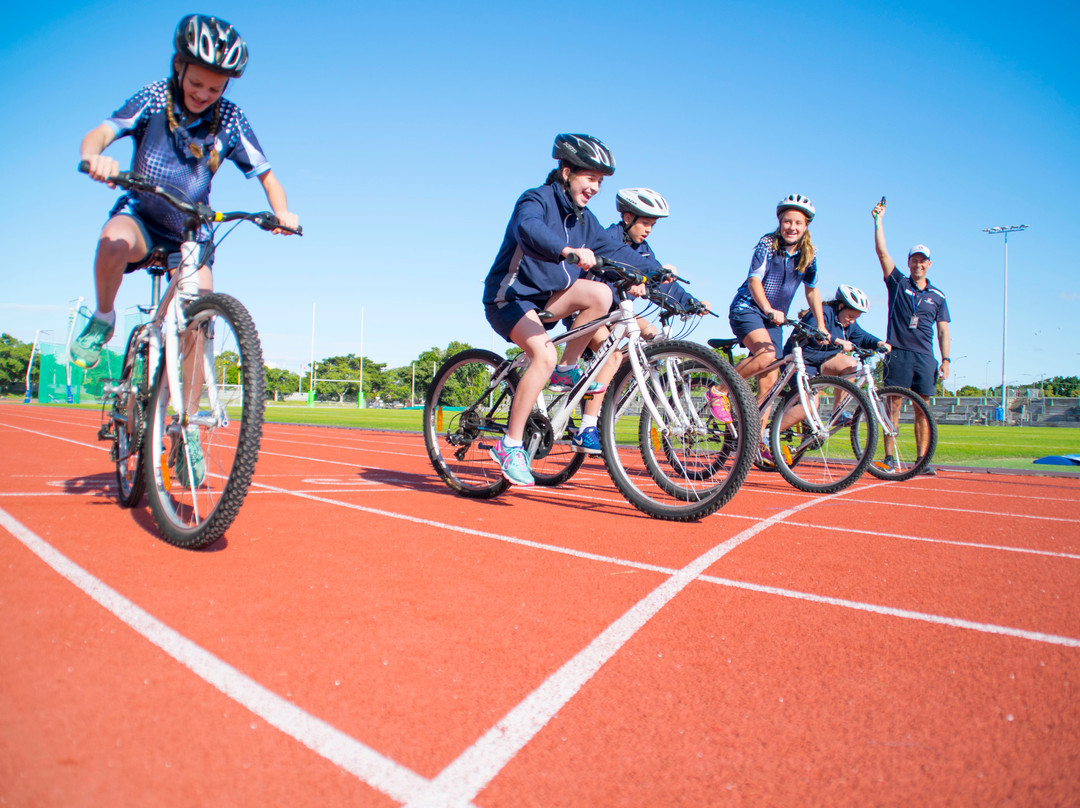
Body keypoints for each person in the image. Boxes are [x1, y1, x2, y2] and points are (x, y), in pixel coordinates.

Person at [71, 14, 300, 372]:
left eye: (215, 89)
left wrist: (283, 213)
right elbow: (101, 132)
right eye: (196, 83)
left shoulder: (230, 119)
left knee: (199, 317)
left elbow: (269, 179)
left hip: (191, 231)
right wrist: (94, 157)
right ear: (179, 66)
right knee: (113, 241)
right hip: (141, 220)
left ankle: (187, 424)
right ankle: (103, 317)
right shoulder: (155, 96)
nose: (203, 95)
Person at [482, 134, 662, 486]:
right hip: (510, 297)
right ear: (566, 171)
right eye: (590, 178)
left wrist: (667, 284)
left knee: (599, 294)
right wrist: (567, 250)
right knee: (542, 356)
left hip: (547, 300)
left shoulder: (586, 220)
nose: (595, 187)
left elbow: (620, 252)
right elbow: (528, 229)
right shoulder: (536, 199)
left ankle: (567, 369)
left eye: (600, 181)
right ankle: (510, 444)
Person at [725, 194, 826, 459]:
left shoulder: (809, 256)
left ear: (806, 226)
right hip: (748, 309)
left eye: (798, 222)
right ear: (780, 222)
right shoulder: (768, 244)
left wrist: (823, 326)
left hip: (774, 320)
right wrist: (768, 308)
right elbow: (754, 281)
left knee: (769, 384)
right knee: (767, 355)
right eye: (787, 221)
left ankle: (753, 439)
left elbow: (812, 292)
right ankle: (719, 390)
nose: (792, 227)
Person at [872, 199, 951, 475]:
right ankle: (889, 457)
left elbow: (943, 330)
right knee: (891, 407)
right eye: (914, 260)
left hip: (925, 358)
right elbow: (882, 253)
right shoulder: (898, 283)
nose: (918, 264)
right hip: (899, 353)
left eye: (922, 260)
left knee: (923, 410)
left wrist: (946, 360)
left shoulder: (938, 296)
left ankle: (921, 460)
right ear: (909, 263)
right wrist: (878, 221)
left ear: (929, 264)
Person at [785, 284, 888, 377]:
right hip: (801, 360)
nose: (852, 321)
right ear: (841, 306)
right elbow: (812, 330)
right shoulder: (824, 312)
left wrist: (879, 343)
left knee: (850, 364)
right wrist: (838, 340)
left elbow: (863, 337)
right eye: (850, 316)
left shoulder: (848, 323)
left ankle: (843, 397)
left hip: (822, 361)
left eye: (855, 318)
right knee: (810, 397)